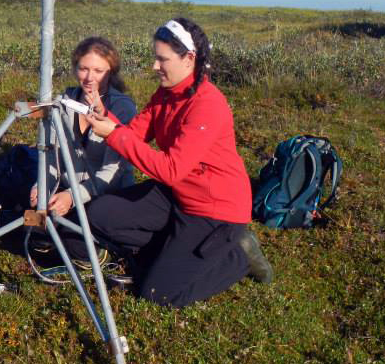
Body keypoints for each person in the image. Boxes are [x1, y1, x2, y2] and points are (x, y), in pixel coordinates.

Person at [81, 17, 273, 308]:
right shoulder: (166, 94)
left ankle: (238, 257)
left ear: (189, 59)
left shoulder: (207, 104)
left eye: (162, 59)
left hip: (215, 211)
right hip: (178, 196)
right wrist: (102, 113)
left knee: (157, 293)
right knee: (99, 214)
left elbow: (170, 169)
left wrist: (115, 134)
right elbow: (133, 135)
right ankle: (173, 248)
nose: (154, 67)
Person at [28, 36, 138, 216]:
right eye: (83, 69)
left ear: (111, 72)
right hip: (66, 189)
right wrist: (41, 187)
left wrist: (72, 197)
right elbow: (51, 157)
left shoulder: (122, 108)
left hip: (108, 195)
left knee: (81, 229)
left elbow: (113, 171)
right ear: (75, 69)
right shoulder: (62, 103)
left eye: (98, 70)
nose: (89, 78)